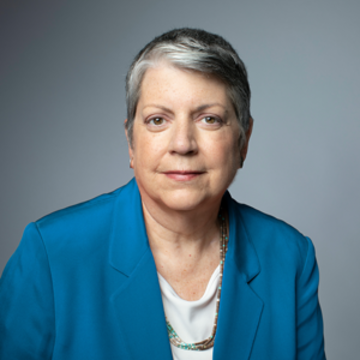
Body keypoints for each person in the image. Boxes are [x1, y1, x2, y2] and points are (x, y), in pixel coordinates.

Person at [0, 28, 326, 359]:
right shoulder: (52, 255)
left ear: (244, 140)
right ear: (131, 141)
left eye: (209, 119)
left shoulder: (289, 259)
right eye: (158, 120)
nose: (182, 144)